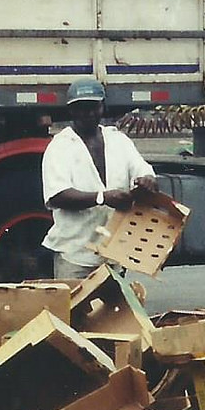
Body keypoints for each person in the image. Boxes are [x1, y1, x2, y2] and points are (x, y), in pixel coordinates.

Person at [40, 77, 158, 279]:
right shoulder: (60, 146)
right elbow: (58, 196)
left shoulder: (118, 140)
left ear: (102, 107)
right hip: (75, 256)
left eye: (94, 107)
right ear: (72, 111)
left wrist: (147, 180)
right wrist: (102, 197)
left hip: (113, 256)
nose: (89, 114)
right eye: (82, 108)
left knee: (113, 311)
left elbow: (144, 172)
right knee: (74, 310)